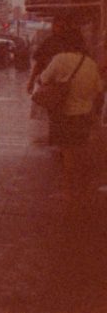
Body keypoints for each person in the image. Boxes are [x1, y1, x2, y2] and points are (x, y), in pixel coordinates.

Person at [34, 39, 103, 199]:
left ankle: (69, 191)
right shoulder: (91, 64)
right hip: (85, 115)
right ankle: (82, 188)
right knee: (80, 151)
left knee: (68, 154)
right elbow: (98, 89)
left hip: (64, 114)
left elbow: (44, 79)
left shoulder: (60, 58)